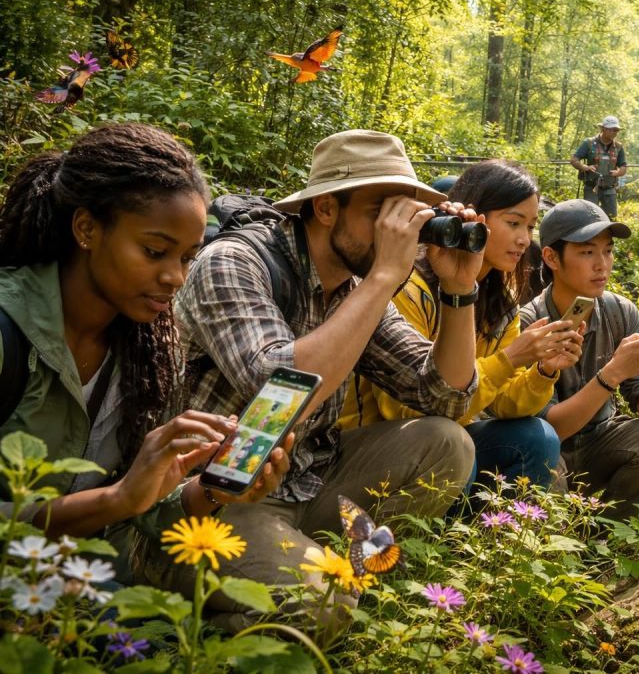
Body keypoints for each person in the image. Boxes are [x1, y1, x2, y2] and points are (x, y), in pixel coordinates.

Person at [142, 130, 482, 620]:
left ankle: (329, 573)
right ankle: (210, 621)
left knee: (447, 441)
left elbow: (446, 396)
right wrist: (386, 277)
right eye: (379, 213)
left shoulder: (355, 286)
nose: (396, 231)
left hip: (309, 483)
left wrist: (459, 288)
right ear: (325, 209)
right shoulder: (235, 261)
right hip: (214, 503)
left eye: (404, 214)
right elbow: (276, 393)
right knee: (326, 605)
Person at [0, 123, 289, 581]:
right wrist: (113, 500)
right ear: (86, 228)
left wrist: (210, 490)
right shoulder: (7, 334)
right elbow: (116, 503)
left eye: (188, 257)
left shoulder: (150, 348)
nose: (175, 277)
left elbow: (142, 512)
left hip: (84, 593)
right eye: (155, 251)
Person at [341, 160, 582, 497]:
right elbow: (408, 409)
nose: (524, 240)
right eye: (513, 223)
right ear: (473, 218)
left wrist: (543, 370)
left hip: (447, 435)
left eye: (530, 227)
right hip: (383, 442)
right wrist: (510, 358)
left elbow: (505, 404)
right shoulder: (410, 290)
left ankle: (496, 531)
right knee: (452, 440)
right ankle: (435, 533)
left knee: (536, 437)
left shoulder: (500, 300)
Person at [520, 199, 639, 519]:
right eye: (587, 252)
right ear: (551, 257)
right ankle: (555, 538)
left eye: (608, 250)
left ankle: (604, 534)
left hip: (601, 444)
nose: (602, 264)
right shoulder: (530, 323)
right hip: (546, 454)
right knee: (544, 452)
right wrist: (611, 374)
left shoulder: (621, 311)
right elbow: (551, 429)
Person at [570, 116, 627, 218]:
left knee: (611, 218)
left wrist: (618, 173)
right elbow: (574, 159)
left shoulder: (618, 147)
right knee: (590, 218)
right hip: (591, 187)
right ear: (604, 129)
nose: (615, 132)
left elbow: (623, 167)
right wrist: (584, 167)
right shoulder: (589, 143)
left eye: (617, 130)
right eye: (613, 129)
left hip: (610, 188)